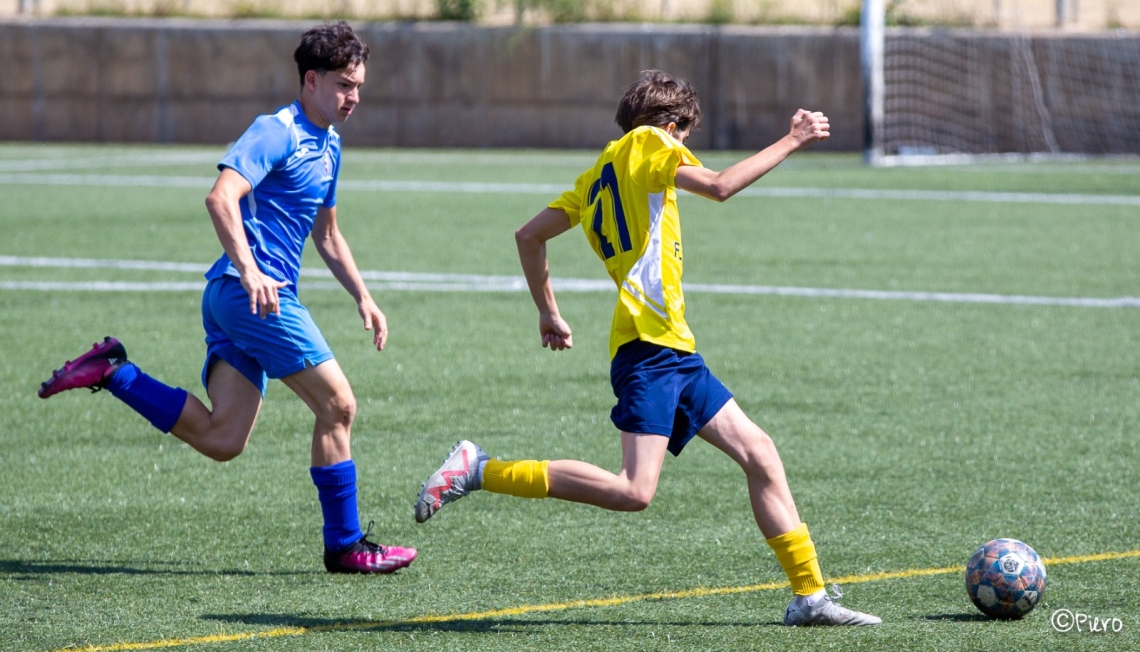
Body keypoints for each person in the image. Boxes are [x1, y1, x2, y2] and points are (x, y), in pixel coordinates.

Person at [414, 70, 879, 626]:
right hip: (647, 350)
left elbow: (528, 235)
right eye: (686, 137)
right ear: (673, 125)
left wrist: (548, 309)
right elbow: (721, 185)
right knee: (634, 490)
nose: (684, 150)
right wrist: (794, 139)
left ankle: (810, 597)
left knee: (760, 453)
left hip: (674, 349)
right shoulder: (652, 142)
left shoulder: (597, 175)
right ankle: (478, 470)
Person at [38, 22, 415, 575]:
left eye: (358, 85)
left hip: (235, 298)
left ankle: (114, 372)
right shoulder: (277, 130)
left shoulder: (330, 145)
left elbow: (328, 235)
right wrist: (250, 269)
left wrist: (364, 296)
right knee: (338, 406)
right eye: (343, 85)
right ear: (311, 80)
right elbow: (220, 199)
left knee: (223, 438)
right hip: (250, 294)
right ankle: (346, 544)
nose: (353, 97)